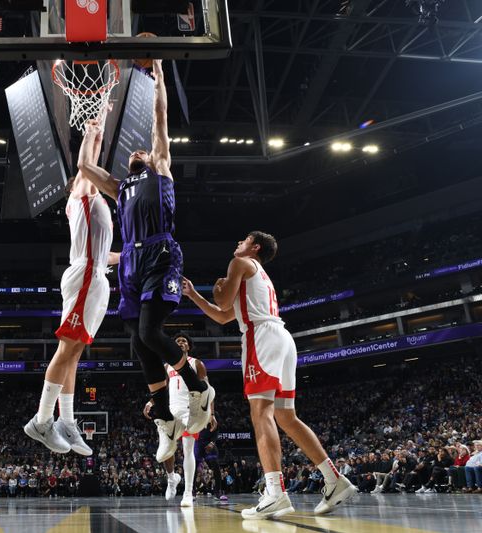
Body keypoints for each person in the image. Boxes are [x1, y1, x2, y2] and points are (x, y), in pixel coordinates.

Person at [77, 60, 213, 464]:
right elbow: (85, 168)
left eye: (143, 151)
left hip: (161, 252)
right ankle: (166, 417)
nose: (137, 151)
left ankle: (196, 388)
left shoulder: (161, 169)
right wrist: (90, 132)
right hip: (133, 262)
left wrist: (159, 77)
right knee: (138, 340)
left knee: (151, 332)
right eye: (133, 152)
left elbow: (160, 119)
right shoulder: (119, 188)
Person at [181, 232, 357, 519]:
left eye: (243, 240)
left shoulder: (240, 263)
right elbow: (224, 317)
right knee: (286, 416)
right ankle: (334, 479)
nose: (237, 243)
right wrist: (194, 295)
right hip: (282, 339)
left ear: (255, 246)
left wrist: (217, 289)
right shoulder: (257, 274)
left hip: (260, 337)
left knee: (260, 412)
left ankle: (275, 492)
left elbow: (223, 303)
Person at [24, 107, 119, 457]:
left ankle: (66, 419)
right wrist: (94, 131)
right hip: (84, 278)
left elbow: (105, 252)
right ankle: (42, 420)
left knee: (76, 353)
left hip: (95, 276)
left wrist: (129, 257)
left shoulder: (94, 205)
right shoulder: (82, 193)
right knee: (67, 349)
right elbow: (85, 166)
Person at [143, 333, 215, 507]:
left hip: (191, 411)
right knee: (167, 450)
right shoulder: (167, 366)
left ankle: (188, 493)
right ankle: (171, 478)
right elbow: (161, 388)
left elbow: (207, 390)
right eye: (177, 342)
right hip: (171, 411)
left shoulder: (196, 363)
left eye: (184, 341)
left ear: (188, 346)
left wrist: (211, 413)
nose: (181, 343)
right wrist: (150, 402)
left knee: (188, 450)